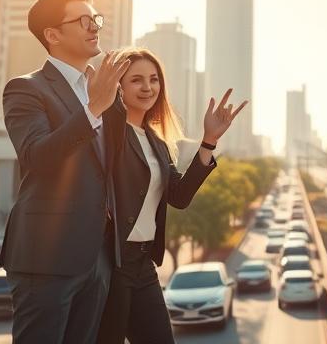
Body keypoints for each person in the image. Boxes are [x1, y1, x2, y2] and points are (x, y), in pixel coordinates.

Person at [0, 0, 130, 344]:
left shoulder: (103, 91)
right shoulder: (25, 89)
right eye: (84, 20)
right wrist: (92, 111)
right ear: (52, 35)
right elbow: (36, 157)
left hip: (97, 259)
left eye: (96, 19)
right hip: (46, 258)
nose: (95, 27)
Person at [97, 48, 248, 344]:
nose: (147, 87)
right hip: (112, 260)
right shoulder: (108, 131)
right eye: (136, 80)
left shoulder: (157, 142)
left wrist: (209, 142)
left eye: (154, 80)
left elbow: (179, 196)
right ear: (119, 85)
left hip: (143, 264)